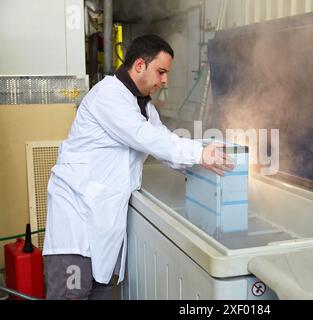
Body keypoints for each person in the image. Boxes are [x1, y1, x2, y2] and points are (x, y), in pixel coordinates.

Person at [42, 34, 234, 300]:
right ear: (140, 65)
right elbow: (147, 138)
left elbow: (165, 145)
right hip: (76, 222)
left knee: (101, 293)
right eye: (161, 71)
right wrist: (200, 153)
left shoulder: (142, 107)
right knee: (71, 296)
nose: (165, 80)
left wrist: (204, 159)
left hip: (103, 222)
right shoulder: (108, 96)